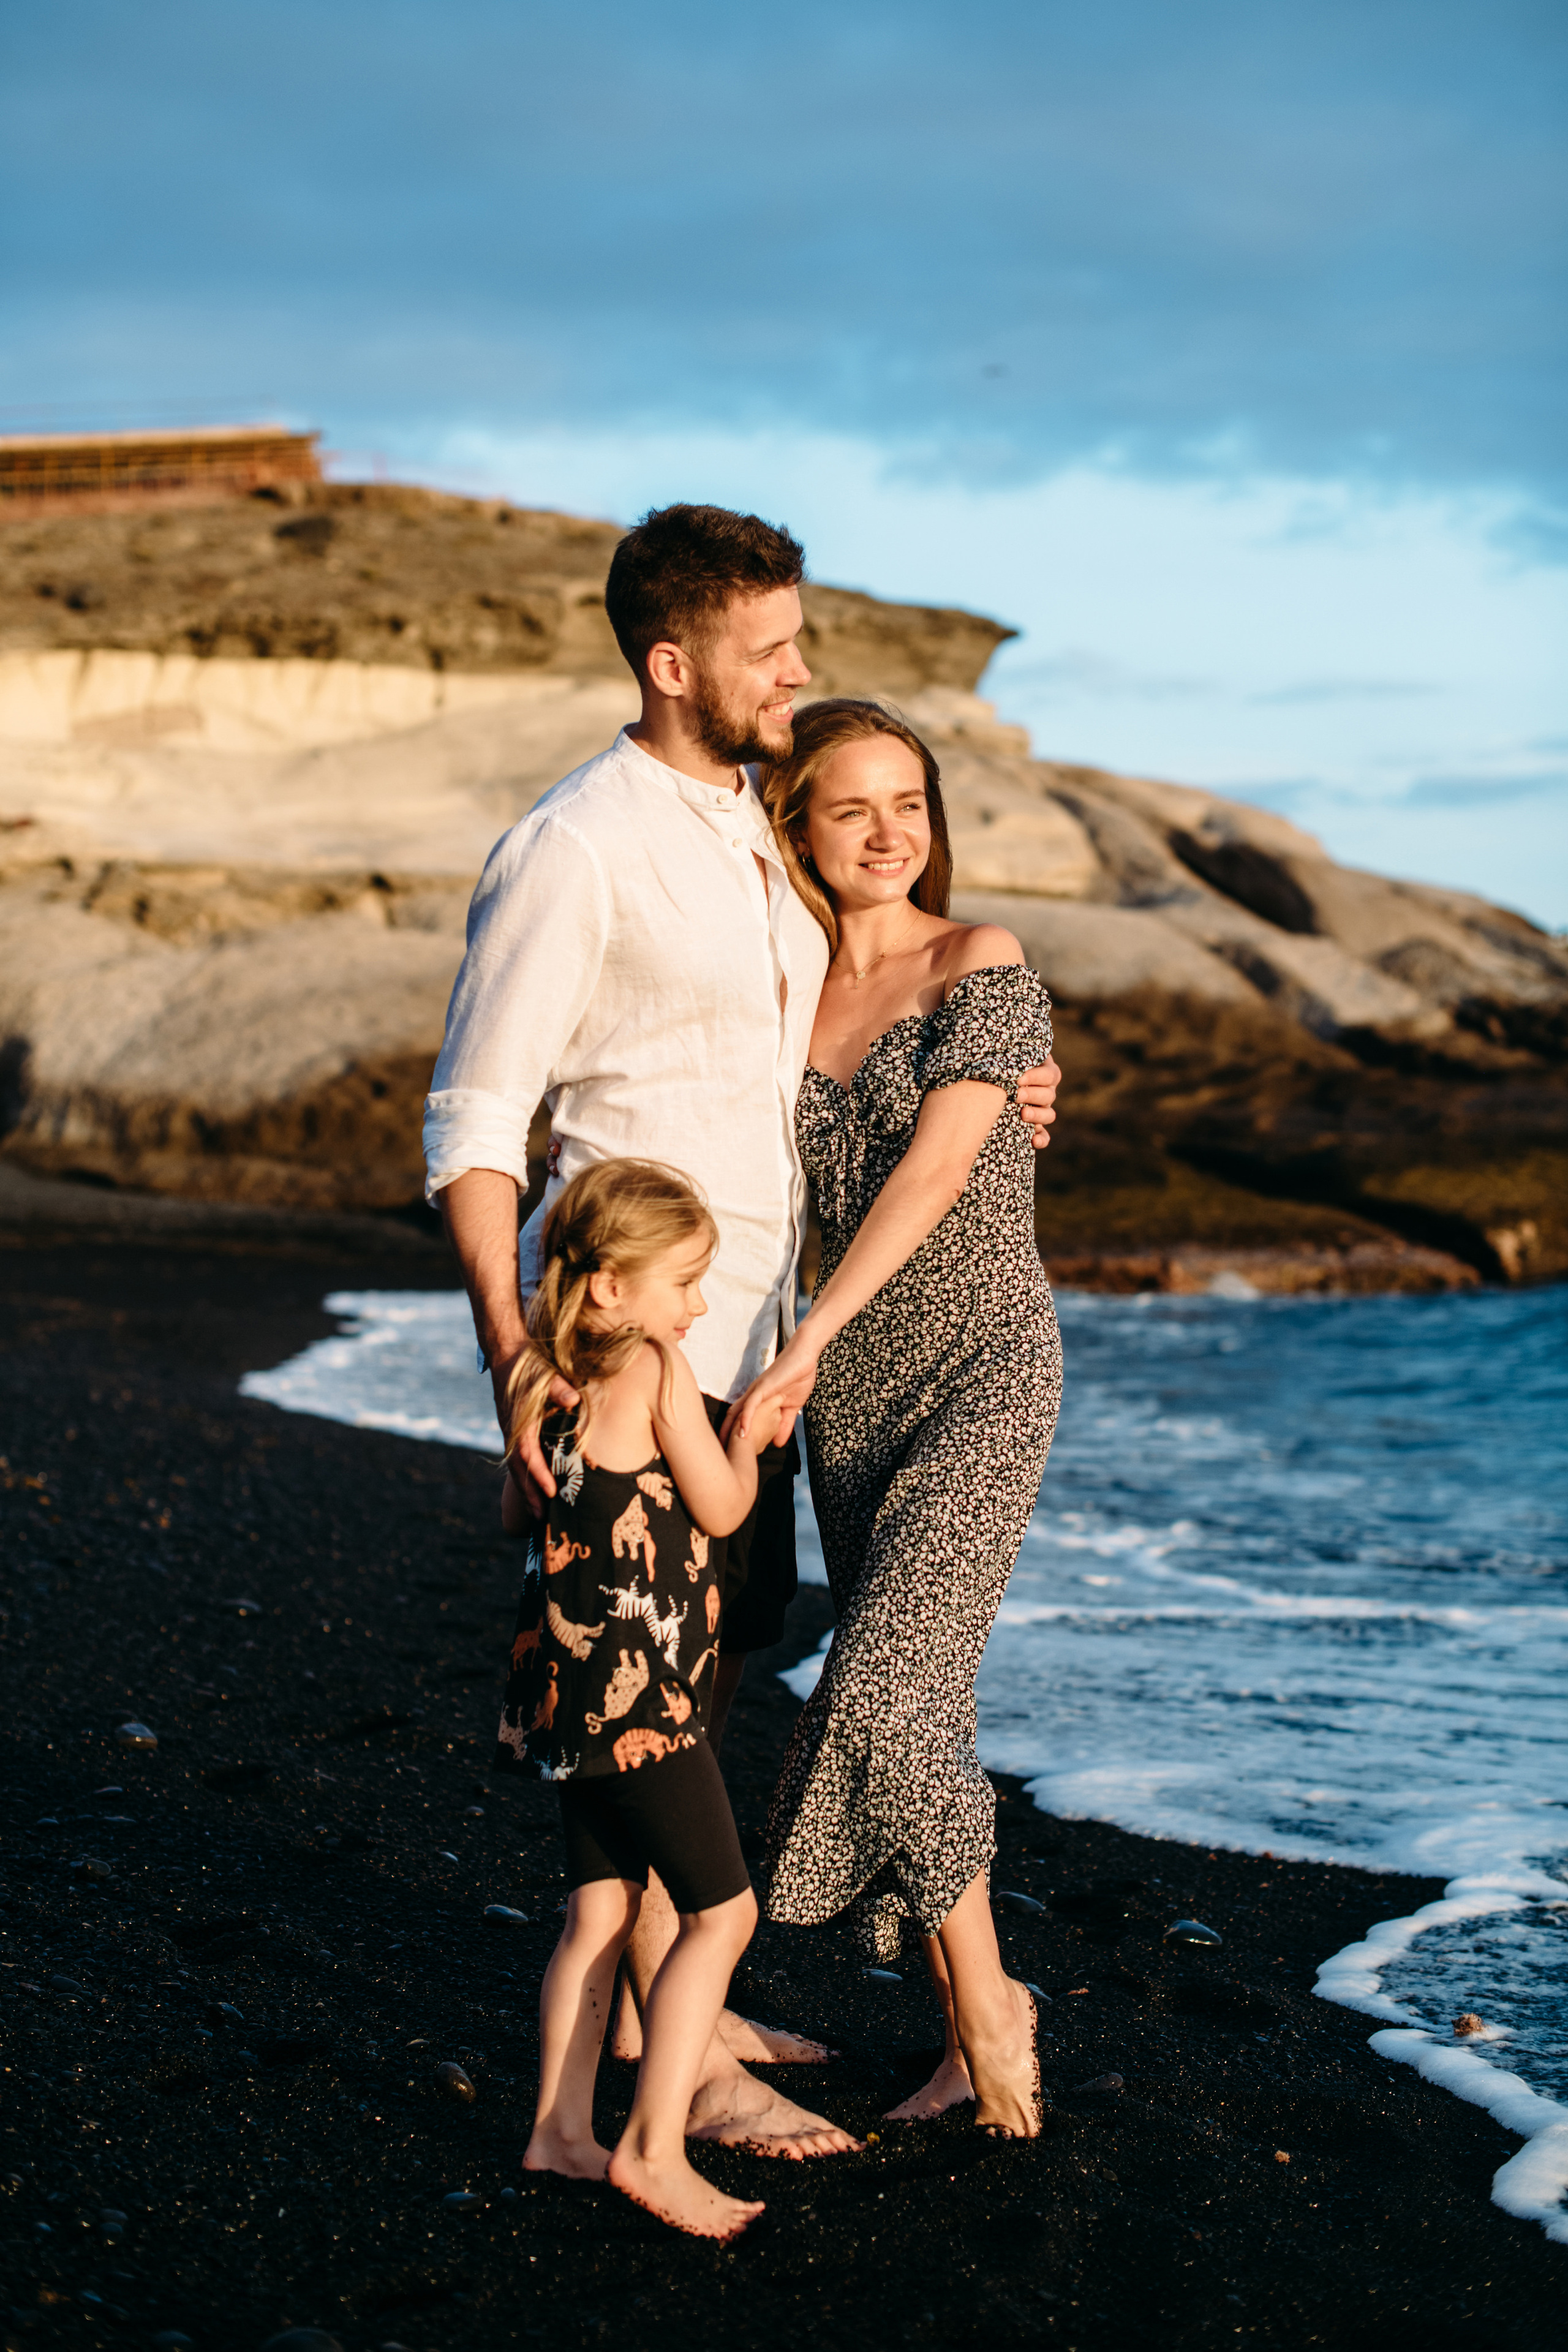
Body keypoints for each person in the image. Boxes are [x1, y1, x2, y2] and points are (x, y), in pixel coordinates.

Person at [424, 503, 1061, 2156]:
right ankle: (675, 2064)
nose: (800, 669)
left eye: (800, 640)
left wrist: (1013, 1085)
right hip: (643, 1355)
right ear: (671, 660)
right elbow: (479, 1122)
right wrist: (513, 1356)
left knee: (699, 1680)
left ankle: (680, 2008)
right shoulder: (577, 846)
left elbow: (887, 1041)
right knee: (647, 1692)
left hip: (770, 1354)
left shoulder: (756, 841)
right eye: (770, 649)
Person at [728, 696, 1063, 2139]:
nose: (886, 834)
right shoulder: (780, 993)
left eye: (908, 803)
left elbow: (932, 1174)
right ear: (799, 827)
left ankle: (993, 2010)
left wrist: (800, 1337)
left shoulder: (976, 960)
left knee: (870, 1690)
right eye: (850, 807)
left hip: (982, 1363)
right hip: (845, 1406)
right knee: (921, 1703)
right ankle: (952, 2029)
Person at [505, 1159, 786, 2239]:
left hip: (560, 1697)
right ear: (614, 1288)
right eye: (684, 1282)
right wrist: (748, 1445)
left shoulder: (544, 1379)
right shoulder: (659, 1368)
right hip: (643, 1700)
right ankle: (655, 2147)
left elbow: (516, 1517)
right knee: (724, 1913)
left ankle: (559, 2130)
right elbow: (718, 1512)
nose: (700, 1305)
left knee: (599, 1913)